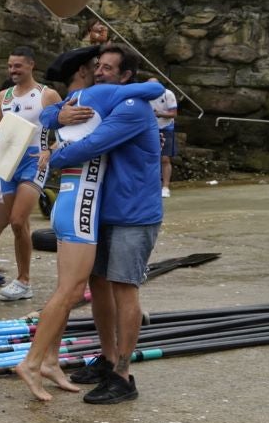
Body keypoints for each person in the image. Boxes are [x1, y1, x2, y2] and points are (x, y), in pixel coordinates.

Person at [9, 48, 165, 401]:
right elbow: (54, 111)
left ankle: (123, 376)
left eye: (109, 69)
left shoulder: (130, 109)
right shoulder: (98, 101)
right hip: (99, 213)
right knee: (97, 285)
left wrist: (52, 155)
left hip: (132, 215)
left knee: (124, 289)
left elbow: (92, 144)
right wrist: (57, 115)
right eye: (99, 67)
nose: (102, 72)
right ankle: (108, 359)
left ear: (126, 77)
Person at [0, 47, 59, 303]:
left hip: (33, 160)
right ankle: (22, 280)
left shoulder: (47, 95)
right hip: (8, 161)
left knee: (17, 219)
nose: (12, 70)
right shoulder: (4, 96)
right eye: (10, 66)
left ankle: (24, 280)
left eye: (18, 66)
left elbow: (69, 130)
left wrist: (50, 150)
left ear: (31, 65)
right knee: (16, 223)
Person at [152, 80, 178, 196]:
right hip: (149, 129)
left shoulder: (168, 94)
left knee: (165, 158)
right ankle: (152, 186)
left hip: (165, 128)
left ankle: (165, 187)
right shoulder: (143, 96)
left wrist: (158, 114)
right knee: (149, 158)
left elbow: (173, 113)